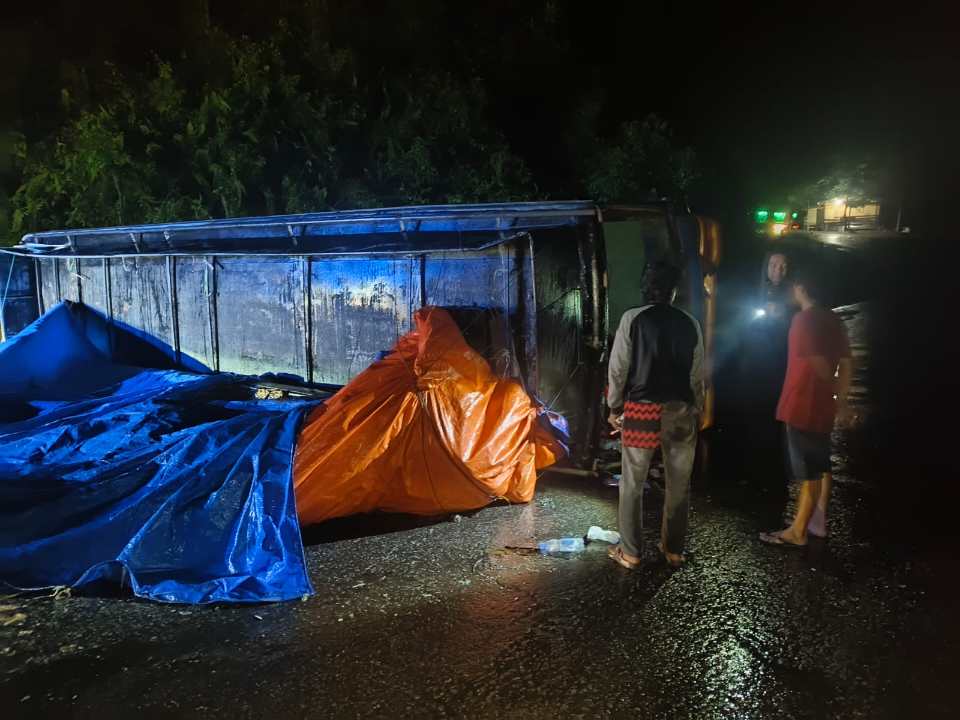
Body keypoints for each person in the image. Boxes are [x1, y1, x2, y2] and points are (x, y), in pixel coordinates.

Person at [607, 261, 705, 569]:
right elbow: (696, 373)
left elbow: (619, 367)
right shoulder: (690, 322)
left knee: (632, 484)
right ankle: (673, 549)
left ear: (645, 288)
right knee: (679, 483)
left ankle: (631, 552)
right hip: (680, 410)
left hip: (640, 411)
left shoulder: (632, 319)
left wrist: (614, 406)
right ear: (673, 291)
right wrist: (697, 406)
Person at [760, 265, 853, 547]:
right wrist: (841, 398)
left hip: (801, 403)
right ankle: (817, 522)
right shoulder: (834, 320)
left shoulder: (803, 320)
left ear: (801, 289)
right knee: (821, 465)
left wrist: (828, 384)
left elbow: (817, 363)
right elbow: (847, 363)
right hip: (824, 406)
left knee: (807, 471)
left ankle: (798, 531)